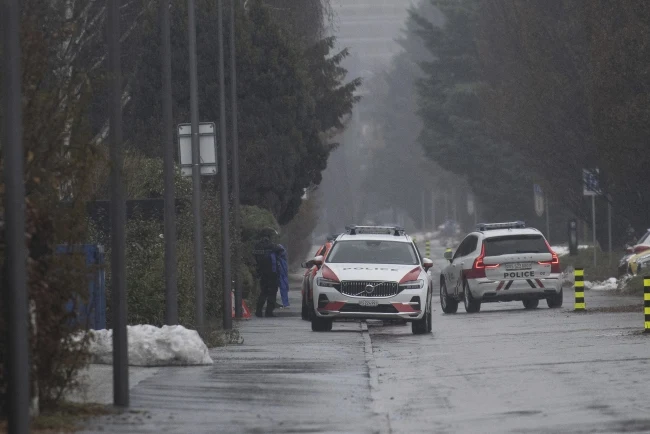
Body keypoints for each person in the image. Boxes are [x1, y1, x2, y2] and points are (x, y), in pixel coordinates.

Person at [252, 228, 284, 317]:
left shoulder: (257, 246)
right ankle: (269, 312)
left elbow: (255, 257)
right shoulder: (272, 246)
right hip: (272, 272)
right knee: (272, 292)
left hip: (262, 272)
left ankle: (258, 311)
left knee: (263, 292)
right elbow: (280, 250)